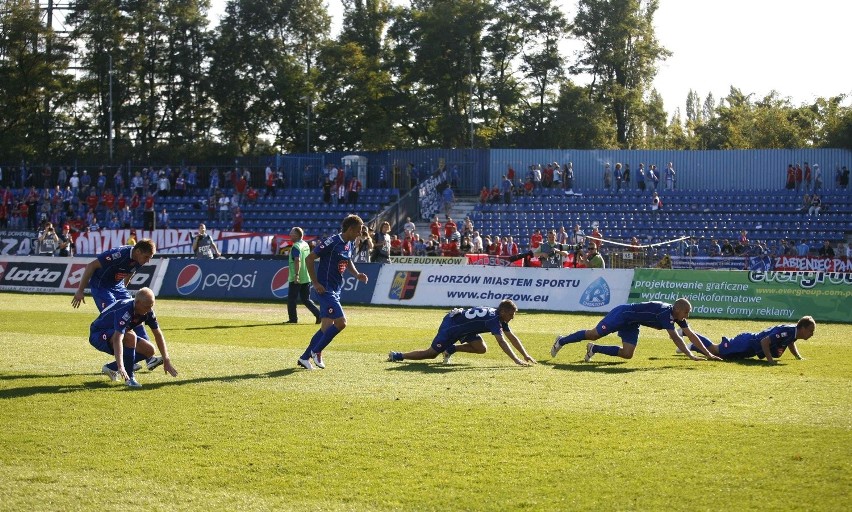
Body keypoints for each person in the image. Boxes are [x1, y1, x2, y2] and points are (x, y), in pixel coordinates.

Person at [71, 239, 160, 369]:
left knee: (137, 315)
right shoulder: (117, 254)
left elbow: (130, 271)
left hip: (118, 287)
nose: (148, 261)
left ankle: (149, 358)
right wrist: (80, 290)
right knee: (116, 318)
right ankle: (124, 360)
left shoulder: (139, 258)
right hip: (102, 287)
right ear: (138, 251)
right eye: (147, 257)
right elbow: (91, 266)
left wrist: (124, 290)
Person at [296, 215, 369, 370]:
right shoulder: (332, 242)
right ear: (350, 229)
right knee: (341, 323)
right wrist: (315, 283)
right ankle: (316, 350)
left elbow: (348, 261)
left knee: (325, 327)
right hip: (325, 289)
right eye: (358, 231)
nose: (359, 234)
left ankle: (304, 358)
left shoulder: (349, 244)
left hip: (336, 289)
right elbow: (310, 259)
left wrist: (357, 274)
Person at [550, 298, 722, 362]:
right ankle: (561, 340)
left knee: (627, 354)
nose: (687, 316)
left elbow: (691, 334)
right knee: (594, 334)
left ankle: (593, 349)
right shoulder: (666, 313)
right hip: (622, 314)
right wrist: (690, 355)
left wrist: (708, 354)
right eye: (687, 313)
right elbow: (676, 338)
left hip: (632, 323)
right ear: (678, 310)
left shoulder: (677, 316)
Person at [387, 300, 536, 366]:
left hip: (464, 326)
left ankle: (450, 349)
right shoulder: (494, 320)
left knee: (481, 348)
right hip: (452, 326)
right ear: (503, 312)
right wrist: (516, 360)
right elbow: (502, 341)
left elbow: (512, 337)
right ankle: (398, 355)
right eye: (511, 315)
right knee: (431, 354)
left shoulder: (498, 316)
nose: (512, 318)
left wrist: (525, 355)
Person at [90, 287, 178, 388]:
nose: (149, 309)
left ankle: (111, 368)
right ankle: (130, 379)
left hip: (115, 334)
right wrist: (121, 366)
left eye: (151, 306)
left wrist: (166, 359)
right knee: (131, 336)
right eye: (147, 306)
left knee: (149, 350)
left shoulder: (148, 311)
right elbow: (118, 338)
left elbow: (158, 334)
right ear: (138, 303)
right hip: (98, 334)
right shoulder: (125, 310)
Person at [686, 316, 815, 364]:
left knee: (722, 357)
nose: (812, 334)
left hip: (749, 348)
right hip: (746, 343)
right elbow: (765, 342)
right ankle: (686, 332)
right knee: (717, 350)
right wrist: (770, 361)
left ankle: (693, 346)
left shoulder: (793, 333)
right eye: (811, 330)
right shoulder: (788, 331)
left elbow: (790, 343)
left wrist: (798, 357)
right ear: (802, 328)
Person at [286, 226, 321, 324]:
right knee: (306, 299)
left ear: (297, 235)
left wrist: (296, 275)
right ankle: (319, 315)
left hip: (297, 277)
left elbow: (297, 260)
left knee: (291, 300)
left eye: (291, 233)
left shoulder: (296, 246)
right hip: (306, 276)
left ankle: (293, 319)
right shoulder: (305, 244)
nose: (290, 234)